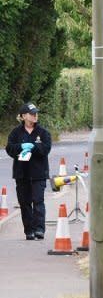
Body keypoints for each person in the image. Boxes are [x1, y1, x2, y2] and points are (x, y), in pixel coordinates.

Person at [5, 103, 52, 240]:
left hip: (38, 173)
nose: (35, 116)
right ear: (24, 116)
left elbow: (46, 148)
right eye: (32, 114)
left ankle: (39, 230)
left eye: (36, 113)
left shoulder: (43, 132)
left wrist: (34, 147)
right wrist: (21, 147)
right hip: (22, 173)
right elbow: (10, 148)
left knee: (38, 202)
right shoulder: (16, 133)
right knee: (25, 203)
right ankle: (29, 231)